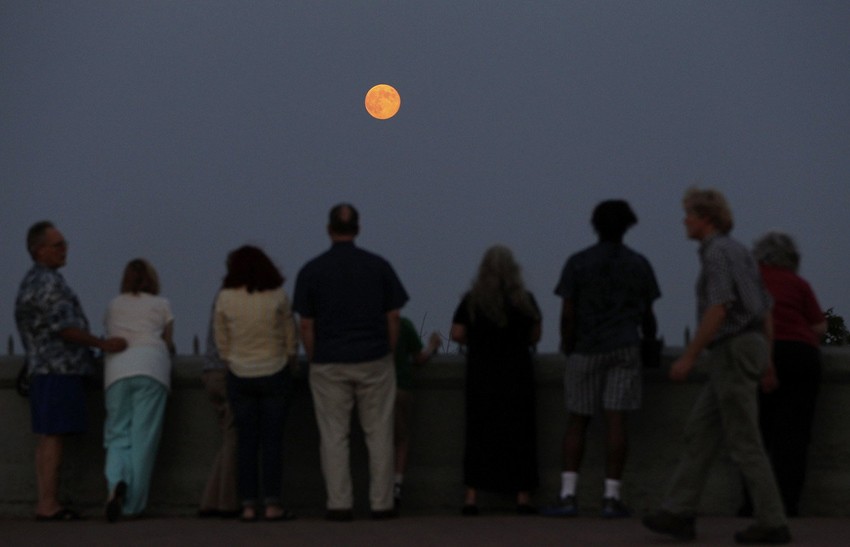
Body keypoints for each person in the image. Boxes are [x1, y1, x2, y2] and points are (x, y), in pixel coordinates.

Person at [643, 188, 791, 545]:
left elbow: (719, 308)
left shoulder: (717, 254)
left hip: (732, 349)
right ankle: (678, 512)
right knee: (700, 431)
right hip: (745, 348)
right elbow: (764, 309)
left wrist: (690, 355)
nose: (684, 221)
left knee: (744, 441)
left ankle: (772, 521)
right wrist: (767, 361)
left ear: (705, 219)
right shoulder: (739, 251)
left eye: (689, 214)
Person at [292, 203, 409, 521]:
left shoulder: (312, 270)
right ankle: (382, 503)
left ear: (328, 229)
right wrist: (387, 351)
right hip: (374, 358)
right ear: (358, 229)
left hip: (329, 360)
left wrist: (315, 356)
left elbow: (306, 324)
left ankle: (339, 504)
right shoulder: (379, 266)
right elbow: (394, 316)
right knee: (379, 433)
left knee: (334, 436)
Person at [544, 200, 660, 519]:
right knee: (616, 419)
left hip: (586, 347)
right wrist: (648, 342)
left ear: (595, 225)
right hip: (624, 346)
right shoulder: (639, 263)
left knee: (577, 419)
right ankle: (611, 496)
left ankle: (568, 494)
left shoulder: (578, 262)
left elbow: (568, 312)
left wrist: (568, 344)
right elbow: (648, 315)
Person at [14, 221, 127, 521]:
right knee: (54, 436)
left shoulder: (31, 281)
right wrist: (102, 344)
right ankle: (49, 505)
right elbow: (65, 328)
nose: (65, 250)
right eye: (58, 245)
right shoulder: (49, 283)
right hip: (58, 370)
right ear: (40, 250)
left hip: (42, 369)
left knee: (47, 436)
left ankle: (46, 501)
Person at [450, 245, 542, 516]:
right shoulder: (526, 300)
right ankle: (522, 497)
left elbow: (456, 334)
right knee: (521, 434)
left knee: (479, 433)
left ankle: (471, 498)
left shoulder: (472, 301)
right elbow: (535, 335)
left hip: (482, 374)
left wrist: (478, 340)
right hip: (517, 375)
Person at [742, 231, 825, 517]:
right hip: (802, 356)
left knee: (755, 435)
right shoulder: (799, 284)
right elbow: (819, 327)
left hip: (760, 353)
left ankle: (752, 505)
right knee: (794, 437)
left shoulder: (751, 281)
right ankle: (788, 505)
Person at [214, 245, 299, 522]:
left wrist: (231, 361)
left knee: (246, 442)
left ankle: (248, 505)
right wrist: (289, 361)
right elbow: (290, 335)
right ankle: (273, 504)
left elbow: (221, 340)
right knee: (272, 441)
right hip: (274, 371)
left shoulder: (225, 297)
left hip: (240, 373)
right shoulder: (278, 295)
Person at [102, 258, 175, 522]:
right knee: (143, 440)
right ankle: (132, 506)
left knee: (117, 434)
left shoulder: (113, 305)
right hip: (151, 370)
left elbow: (109, 333)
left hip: (117, 372)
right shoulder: (162, 304)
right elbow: (168, 343)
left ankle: (115, 484)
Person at [393, 317, 441, 509]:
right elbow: (419, 358)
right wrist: (432, 346)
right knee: (401, 438)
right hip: (400, 387)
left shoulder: (368, 323)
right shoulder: (402, 324)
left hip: (375, 388)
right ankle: (396, 486)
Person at [198, 304, 240, 518]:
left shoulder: (222, 297)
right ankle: (225, 502)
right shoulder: (236, 297)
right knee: (233, 436)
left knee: (229, 435)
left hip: (210, 372)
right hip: (227, 373)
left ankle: (210, 501)